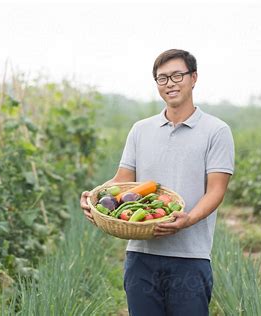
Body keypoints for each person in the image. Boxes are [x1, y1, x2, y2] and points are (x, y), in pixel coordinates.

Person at [80, 49, 235, 316]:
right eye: (162, 78)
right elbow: (123, 181)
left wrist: (187, 219)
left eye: (177, 75)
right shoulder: (141, 130)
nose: (170, 83)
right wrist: (94, 197)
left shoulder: (216, 131)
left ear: (193, 78)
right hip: (141, 256)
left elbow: (216, 191)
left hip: (190, 257)